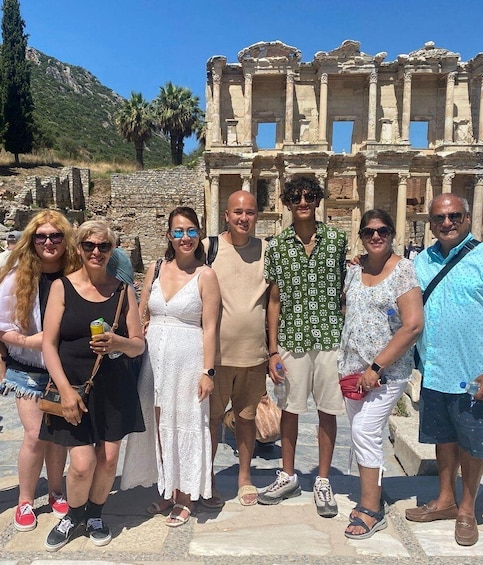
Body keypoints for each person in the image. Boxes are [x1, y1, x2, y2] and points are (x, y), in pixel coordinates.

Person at [405, 194, 483, 547]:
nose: (447, 223)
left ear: (467, 218)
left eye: (454, 216)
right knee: (443, 439)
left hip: (474, 373)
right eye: (439, 218)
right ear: (430, 223)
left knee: (473, 443)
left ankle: (467, 508)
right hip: (435, 369)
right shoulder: (421, 261)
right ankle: (445, 499)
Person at [40, 220, 145, 551]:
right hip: (73, 388)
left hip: (113, 387)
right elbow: (48, 344)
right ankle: (72, 515)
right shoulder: (62, 287)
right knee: (83, 464)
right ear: (78, 248)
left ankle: (95, 515)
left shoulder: (122, 290)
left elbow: (138, 345)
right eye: (89, 245)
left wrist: (118, 342)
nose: (96, 252)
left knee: (109, 459)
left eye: (103, 246)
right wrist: (64, 391)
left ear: (112, 250)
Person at [259, 176, 348, 518]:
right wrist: (272, 351)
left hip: (328, 337)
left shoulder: (337, 241)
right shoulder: (278, 247)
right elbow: (274, 300)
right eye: (296, 197)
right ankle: (288, 474)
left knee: (328, 410)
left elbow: (345, 289)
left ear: (318, 200)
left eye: (309, 196)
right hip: (292, 338)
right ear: (286, 202)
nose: (303, 202)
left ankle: (323, 479)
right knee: (290, 410)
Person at [128, 207, 221, 527]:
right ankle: (167, 488)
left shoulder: (206, 275)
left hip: (188, 361)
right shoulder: (155, 268)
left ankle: (186, 496)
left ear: (199, 234)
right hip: (154, 361)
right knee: (159, 426)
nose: (185, 237)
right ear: (169, 235)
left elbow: (211, 327)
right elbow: (141, 313)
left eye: (191, 231)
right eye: (178, 231)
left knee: (187, 424)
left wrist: (208, 372)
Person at [0, 211, 76, 532]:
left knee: (58, 437)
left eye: (55, 236)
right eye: (41, 237)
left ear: (65, 240)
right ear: (32, 241)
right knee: (36, 435)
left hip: (65, 370)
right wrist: (29, 341)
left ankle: (56, 491)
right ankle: (25, 500)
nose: (48, 242)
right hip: (28, 369)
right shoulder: (17, 278)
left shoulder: (76, 276)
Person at [339, 210, 423, 539]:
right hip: (352, 370)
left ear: (392, 234)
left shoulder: (403, 270)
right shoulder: (355, 270)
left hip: (386, 372)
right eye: (369, 232)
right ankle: (370, 494)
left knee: (364, 431)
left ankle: (371, 509)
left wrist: (376, 366)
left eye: (383, 231)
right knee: (363, 434)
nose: (376, 236)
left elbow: (412, 325)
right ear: (360, 236)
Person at [205, 191, 269, 508]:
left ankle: (244, 477)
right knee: (211, 421)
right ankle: (207, 477)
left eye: (250, 212)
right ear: (227, 215)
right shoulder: (209, 248)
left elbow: (275, 298)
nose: (244, 218)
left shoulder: (267, 251)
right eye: (238, 212)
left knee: (246, 418)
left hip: (253, 354)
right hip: (217, 355)